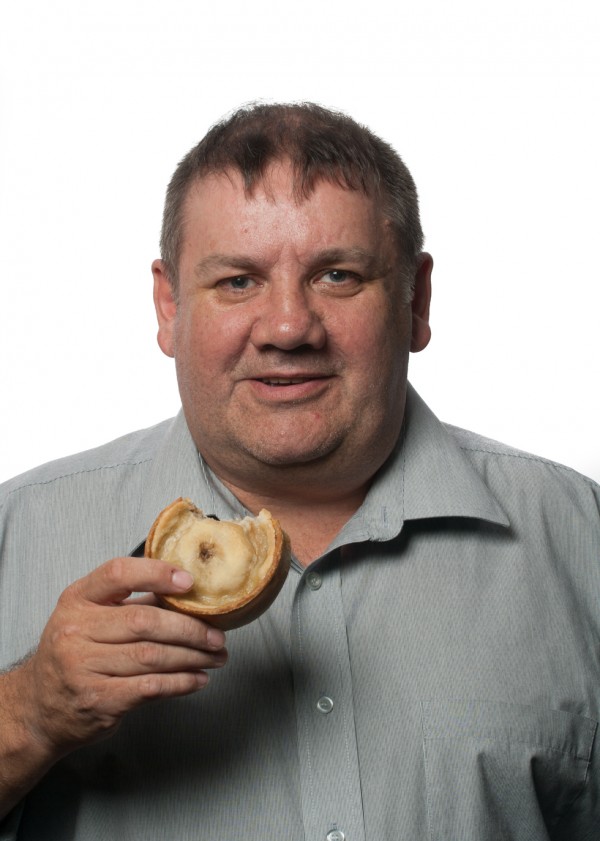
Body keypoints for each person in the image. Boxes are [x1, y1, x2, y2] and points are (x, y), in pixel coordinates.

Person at [1, 103, 599, 841]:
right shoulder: (17, 532)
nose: (288, 327)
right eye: (238, 281)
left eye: (338, 275)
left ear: (417, 300)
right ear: (168, 304)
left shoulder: (578, 535)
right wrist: (25, 714)